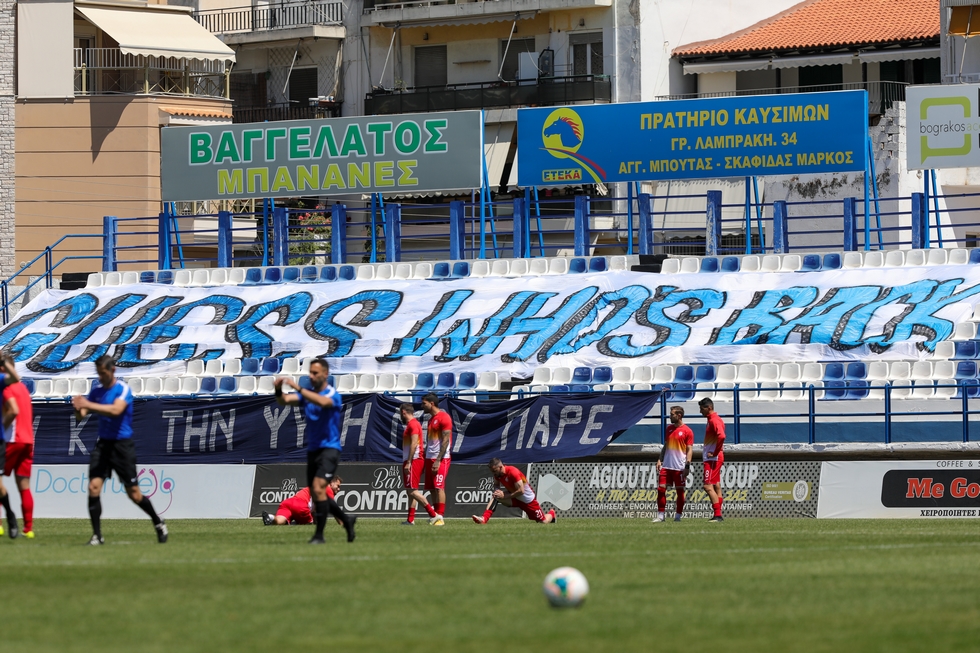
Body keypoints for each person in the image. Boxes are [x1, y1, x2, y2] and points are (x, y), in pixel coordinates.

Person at [72, 355, 168, 545]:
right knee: (93, 487)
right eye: (98, 373)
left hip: (122, 446)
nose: (100, 377)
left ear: (113, 370)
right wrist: (77, 407)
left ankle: (158, 521)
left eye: (103, 373)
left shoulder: (122, 389)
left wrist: (87, 404)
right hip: (103, 445)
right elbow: (80, 416)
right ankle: (97, 536)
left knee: (134, 494)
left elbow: (115, 410)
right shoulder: (97, 392)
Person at [274, 358, 356, 544]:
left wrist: (298, 388)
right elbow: (284, 399)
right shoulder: (307, 394)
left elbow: (322, 402)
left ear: (325, 374)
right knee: (317, 492)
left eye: (315, 373)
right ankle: (347, 520)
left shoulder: (332, 395)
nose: (311, 376)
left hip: (330, 449)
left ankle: (319, 535)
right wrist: (279, 389)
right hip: (313, 451)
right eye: (310, 373)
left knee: (319, 488)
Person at [0, 355, 34, 538]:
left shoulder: (6, 388)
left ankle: (0, 526)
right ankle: (28, 530)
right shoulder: (23, 389)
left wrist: (2, 426)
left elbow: (13, 410)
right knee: (24, 486)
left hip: (11, 439)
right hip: (28, 440)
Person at [472, 458, 556, 524]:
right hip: (515, 498)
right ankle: (484, 519)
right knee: (496, 496)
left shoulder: (513, 472)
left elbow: (521, 491)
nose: (493, 473)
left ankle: (552, 513)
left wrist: (505, 496)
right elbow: (496, 485)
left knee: (543, 521)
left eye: (494, 471)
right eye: (492, 472)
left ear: (501, 467)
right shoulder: (497, 474)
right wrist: (497, 491)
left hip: (528, 501)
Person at [398, 403, 443, 526]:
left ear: (403, 412)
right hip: (414, 460)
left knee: (412, 491)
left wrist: (409, 462)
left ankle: (434, 515)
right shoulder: (413, 424)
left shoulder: (413, 424)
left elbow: (414, 444)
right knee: (410, 491)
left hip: (414, 460)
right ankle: (410, 519)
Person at [653, 406, 693, 523]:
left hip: (679, 467)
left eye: (672, 414)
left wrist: (687, 466)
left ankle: (678, 516)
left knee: (679, 491)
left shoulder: (687, 431)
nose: (670, 416)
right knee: (661, 489)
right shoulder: (669, 429)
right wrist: (660, 459)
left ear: (679, 415)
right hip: (666, 465)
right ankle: (661, 516)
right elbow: (666, 445)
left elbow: (689, 450)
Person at [263, 476, 342, 526]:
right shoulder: (326, 488)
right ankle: (292, 524)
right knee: (309, 525)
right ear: (331, 483)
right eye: (338, 486)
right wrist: (342, 523)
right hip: (300, 505)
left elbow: (315, 511)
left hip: (288, 502)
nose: (338, 489)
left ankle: (270, 517)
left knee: (279, 522)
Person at [421, 393, 452, 520]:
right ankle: (435, 515)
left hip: (441, 458)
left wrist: (438, 459)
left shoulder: (444, 417)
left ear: (431, 403)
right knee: (432, 489)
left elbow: (445, 440)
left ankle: (441, 515)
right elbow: (430, 442)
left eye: (424, 403)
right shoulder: (430, 420)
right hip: (429, 457)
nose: (422, 406)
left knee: (439, 487)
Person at [699, 397, 726, 522]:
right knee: (716, 485)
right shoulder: (713, 419)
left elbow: (722, 436)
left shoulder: (714, 420)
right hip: (714, 457)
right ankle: (718, 514)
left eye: (702, 408)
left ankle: (718, 515)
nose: (700, 411)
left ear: (708, 408)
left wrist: (715, 452)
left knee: (707, 486)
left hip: (713, 459)